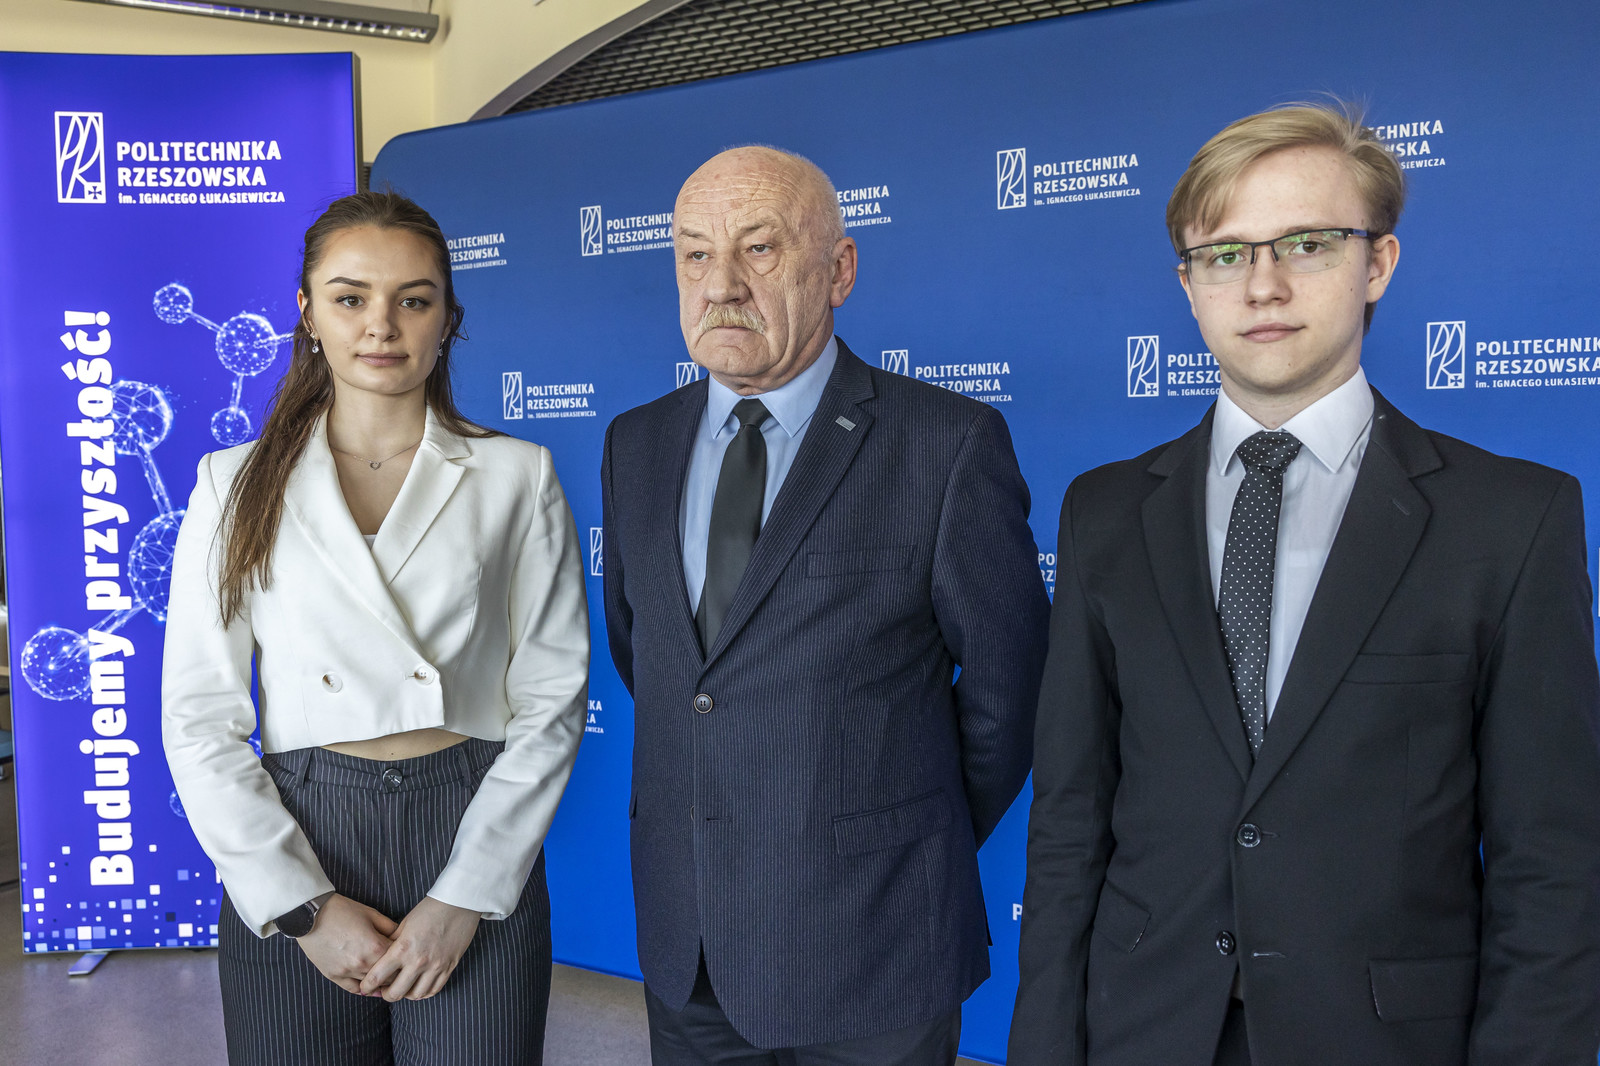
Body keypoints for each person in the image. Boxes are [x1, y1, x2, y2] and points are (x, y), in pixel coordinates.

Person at [1009, 101, 1600, 1066]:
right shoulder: (1105, 512)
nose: (1264, 285)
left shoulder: (1513, 519)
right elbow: (1071, 820)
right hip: (1144, 1030)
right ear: (1188, 285)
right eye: (1225, 254)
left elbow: (1554, 862)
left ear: (1379, 264)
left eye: (1309, 244)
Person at [601, 145, 1050, 1065]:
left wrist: (890, 833)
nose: (720, 284)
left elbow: (1010, 691)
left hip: (876, 943)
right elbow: (653, 661)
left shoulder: (947, 443)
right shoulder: (634, 444)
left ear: (839, 270)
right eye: (694, 254)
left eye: (758, 248)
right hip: (690, 947)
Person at [162, 191, 589, 1065]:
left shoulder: (517, 475)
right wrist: (303, 907)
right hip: (301, 828)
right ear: (307, 311)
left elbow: (552, 698)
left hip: (471, 822)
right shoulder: (232, 483)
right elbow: (199, 715)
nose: (381, 325)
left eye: (413, 299)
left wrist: (466, 894)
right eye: (350, 297)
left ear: (448, 318)